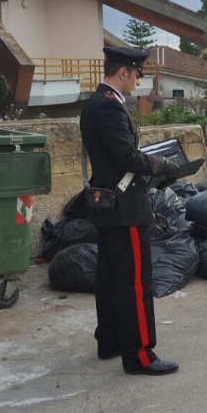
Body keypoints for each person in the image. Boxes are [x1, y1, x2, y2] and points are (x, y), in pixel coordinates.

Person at [79, 46, 180, 376]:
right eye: (136, 76)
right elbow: (125, 156)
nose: (137, 82)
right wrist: (161, 163)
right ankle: (139, 354)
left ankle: (109, 340)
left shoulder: (94, 103)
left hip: (105, 204)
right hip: (124, 207)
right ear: (122, 72)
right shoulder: (110, 107)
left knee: (108, 277)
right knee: (136, 283)